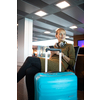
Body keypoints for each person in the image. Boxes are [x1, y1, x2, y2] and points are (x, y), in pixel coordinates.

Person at [17, 28, 75, 100]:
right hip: (52, 63)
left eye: (64, 34)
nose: (62, 35)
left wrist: (61, 54)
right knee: (29, 71)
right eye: (60, 34)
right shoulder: (55, 46)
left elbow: (72, 63)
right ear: (56, 35)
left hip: (60, 66)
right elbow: (51, 59)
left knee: (30, 59)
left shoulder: (70, 46)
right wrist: (52, 54)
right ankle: (31, 98)